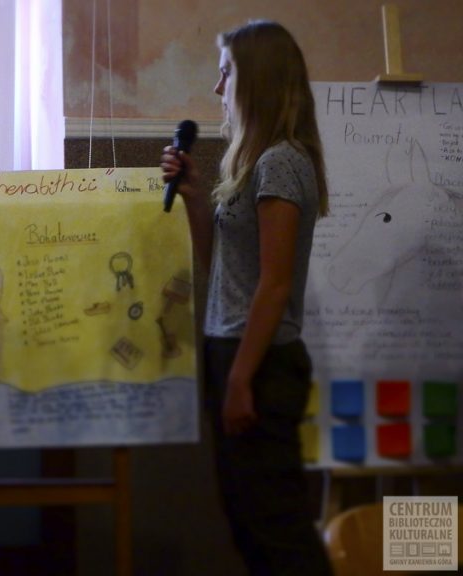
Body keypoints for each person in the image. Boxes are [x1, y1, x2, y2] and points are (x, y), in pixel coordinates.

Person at [161, 20, 333, 575]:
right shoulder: (251, 161)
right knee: (249, 525)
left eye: (226, 73)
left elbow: (274, 284)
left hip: (258, 363)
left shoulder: (281, 160)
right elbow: (225, 271)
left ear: (256, 79)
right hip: (232, 351)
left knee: (277, 529)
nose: (218, 88)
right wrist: (194, 197)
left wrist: (240, 380)